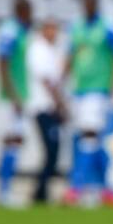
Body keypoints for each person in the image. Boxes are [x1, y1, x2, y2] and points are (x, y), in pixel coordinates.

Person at [65, 0, 113, 206]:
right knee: (94, 138)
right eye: (86, 2)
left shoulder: (108, 27)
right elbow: (70, 55)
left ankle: (77, 186)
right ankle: (105, 187)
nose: (89, 5)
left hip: (99, 89)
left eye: (92, 2)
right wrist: (61, 81)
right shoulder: (76, 26)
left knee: (90, 135)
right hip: (79, 89)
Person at [0, 0, 33, 207]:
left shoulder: (20, 30)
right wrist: (12, 94)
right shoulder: (10, 30)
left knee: (15, 140)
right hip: (12, 96)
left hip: (19, 94)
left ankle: (6, 188)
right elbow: (2, 62)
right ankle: (4, 190)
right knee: (11, 140)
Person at [28, 17, 67, 204]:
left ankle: (41, 191)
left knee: (53, 151)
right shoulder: (39, 49)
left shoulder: (51, 50)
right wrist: (60, 103)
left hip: (50, 107)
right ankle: (40, 191)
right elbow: (46, 81)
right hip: (42, 106)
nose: (54, 33)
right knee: (51, 149)